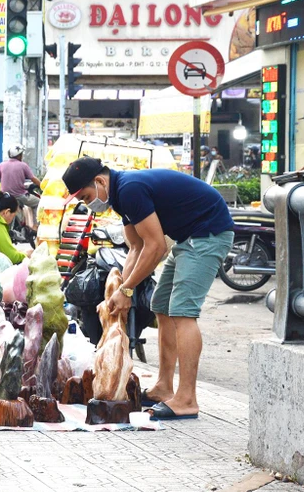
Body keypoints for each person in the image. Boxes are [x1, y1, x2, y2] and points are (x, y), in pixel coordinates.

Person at [61, 156, 234, 421]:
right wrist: (117, 291)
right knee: (161, 305)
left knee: (182, 312)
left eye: (86, 197)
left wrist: (128, 291)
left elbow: (156, 247)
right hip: (187, 236)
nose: (89, 205)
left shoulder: (130, 189)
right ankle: (164, 387)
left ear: (99, 181)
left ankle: (187, 399)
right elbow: (136, 248)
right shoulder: (119, 196)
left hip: (207, 233)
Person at [0, 145, 42, 230]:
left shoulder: (1, 165)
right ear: (18, 156)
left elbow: (1, 178)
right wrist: (43, 186)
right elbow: (33, 178)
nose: (22, 156)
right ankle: (35, 226)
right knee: (38, 202)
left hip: (5, 195)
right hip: (19, 195)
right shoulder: (23, 165)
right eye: (21, 154)